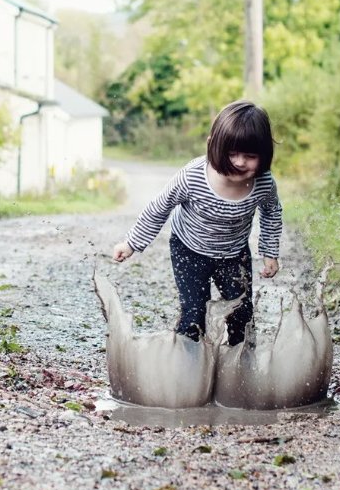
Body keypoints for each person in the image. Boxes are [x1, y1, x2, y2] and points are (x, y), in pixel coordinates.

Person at [112, 100, 282, 346]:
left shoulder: (264, 184)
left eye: (250, 156)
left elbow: (272, 212)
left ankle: (242, 362)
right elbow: (160, 207)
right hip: (189, 250)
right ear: (214, 146)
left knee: (242, 315)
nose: (240, 162)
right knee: (194, 314)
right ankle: (186, 361)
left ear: (265, 155)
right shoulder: (193, 177)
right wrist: (132, 243)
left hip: (234, 255)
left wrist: (269, 252)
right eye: (232, 153)